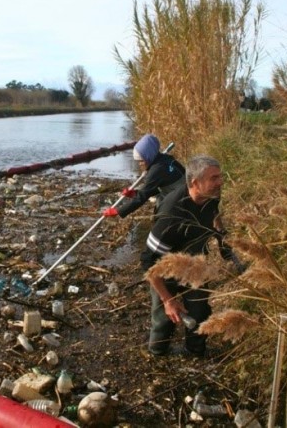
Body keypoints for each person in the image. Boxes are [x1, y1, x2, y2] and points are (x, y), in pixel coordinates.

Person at [140, 155, 239, 357]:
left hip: (195, 264)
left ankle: (195, 352)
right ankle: (157, 353)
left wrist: (223, 242)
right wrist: (168, 300)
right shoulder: (171, 215)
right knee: (164, 319)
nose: (220, 182)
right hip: (165, 267)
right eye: (214, 178)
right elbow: (148, 262)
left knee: (200, 312)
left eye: (219, 176)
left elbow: (215, 216)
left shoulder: (212, 196)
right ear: (195, 182)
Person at [102, 134, 185, 219]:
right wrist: (135, 193)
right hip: (178, 195)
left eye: (142, 161)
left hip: (180, 204)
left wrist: (118, 211)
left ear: (149, 156)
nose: (140, 164)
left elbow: (142, 198)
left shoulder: (156, 170)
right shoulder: (166, 159)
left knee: (161, 222)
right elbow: (157, 187)